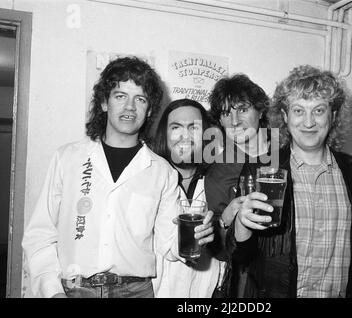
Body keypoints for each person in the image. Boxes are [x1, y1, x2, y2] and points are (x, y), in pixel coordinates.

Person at [21, 57, 214, 298]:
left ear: (150, 110)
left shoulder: (162, 171)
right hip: (73, 290)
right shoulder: (67, 158)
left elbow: (169, 243)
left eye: (140, 99)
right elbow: (40, 234)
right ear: (104, 102)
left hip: (137, 291)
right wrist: (52, 292)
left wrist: (196, 237)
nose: (130, 107)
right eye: (120, 96)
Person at [228, 65, 352, 298]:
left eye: (318, 110)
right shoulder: (259, 169)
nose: (309, 123)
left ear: (334, 115)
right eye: (298, 111)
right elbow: (240, 257)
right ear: (286, 116)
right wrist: (241, 223)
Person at [204, 74, 275, 297]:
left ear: (261, 111)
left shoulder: (286, 153)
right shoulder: (218, 171)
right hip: (248, 281)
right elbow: (218, 251)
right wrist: (225, 220)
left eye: (242, 109)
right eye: (226, 113)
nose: (234, 121)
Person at [150, 98, 225, 298]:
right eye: (176, 127)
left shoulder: (219, 180)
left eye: (194, 128)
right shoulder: (148, 178)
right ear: (163, 134)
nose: (185, 136)